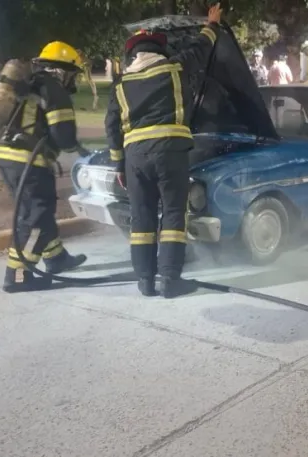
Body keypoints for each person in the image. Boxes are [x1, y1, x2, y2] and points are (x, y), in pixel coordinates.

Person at [105, 4, 223, 298]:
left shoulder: (121, 84)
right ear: (160, 49)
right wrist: (212, 25)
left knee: (141, 217)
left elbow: (112, 127)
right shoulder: (175, 68)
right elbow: (200, 49)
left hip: (135, 158)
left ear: (134, 53)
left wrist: (119, 166)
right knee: (172, 215)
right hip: (170, 152)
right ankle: (170, 280)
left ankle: (145, 281)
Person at [0, 41, 90, 293]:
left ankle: (56, 258)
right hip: (29, 160)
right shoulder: (54, 89)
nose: (73, 81)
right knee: (36, 218)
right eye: (73, 74)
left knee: (36, 211)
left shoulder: (30, 83)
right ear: (64, 70)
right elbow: (63, 135)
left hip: (6, 155)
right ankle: (17, 276)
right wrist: (78, 149)